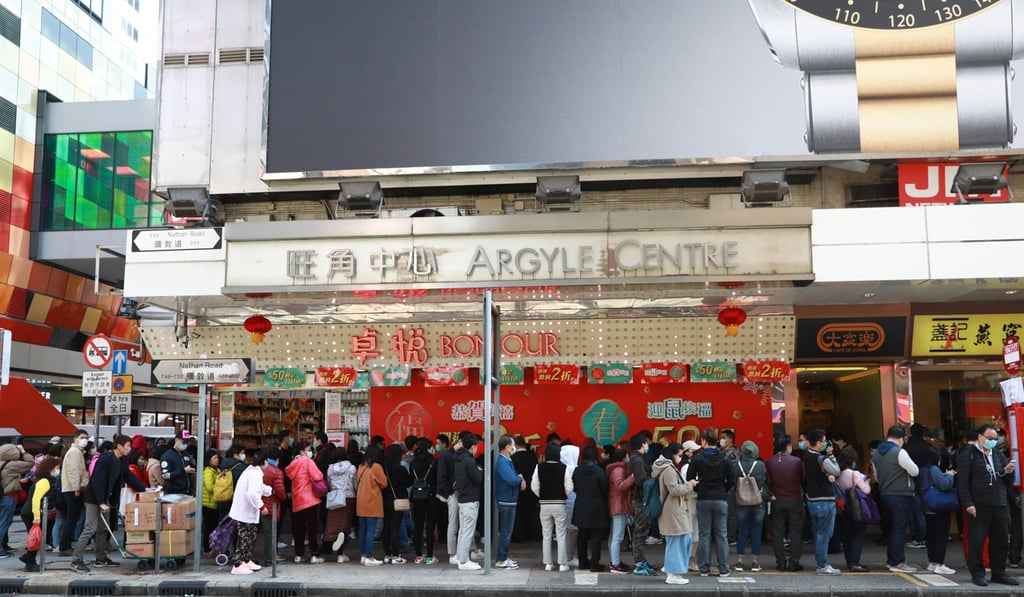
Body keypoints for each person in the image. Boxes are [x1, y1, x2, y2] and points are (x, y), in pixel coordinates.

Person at [956, 424, 1020, 587]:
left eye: (994, 439)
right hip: (979, 504)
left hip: (999, 503)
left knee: (1001, 541)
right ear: (980, 437)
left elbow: (1008, 481)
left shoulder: (997, 454)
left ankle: (999, 572)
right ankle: (977, 573)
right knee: (977, 540)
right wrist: (968, 503)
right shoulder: (968, 454)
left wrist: (1008, 471)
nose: (992, 441)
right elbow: (962, 482)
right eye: (989, 438)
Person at [71, 434, 131, 573]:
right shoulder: (105, 459)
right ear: (119, 446)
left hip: (106, 498)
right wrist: (101, 502)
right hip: (94, 498)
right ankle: (76, 559)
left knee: (103, 528)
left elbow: (128, 476)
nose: (130, 449)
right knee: (90, 528)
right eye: (128, 446)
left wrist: (144, 488)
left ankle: (100, 558)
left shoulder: (121, 460)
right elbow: (97, 482)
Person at [687, 427, 734, 578]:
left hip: (703, 499)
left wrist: (700, 488)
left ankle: (704, 568)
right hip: (720, 499)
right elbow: (732, 480)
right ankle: (724, 569)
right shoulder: (725, 458)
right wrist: (723, 489)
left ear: (704, 441)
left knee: (704, 534)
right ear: (717, 441)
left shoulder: (697, 459)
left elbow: (690, 478)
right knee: (721, 534)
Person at [872, 425, 918, 574]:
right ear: (900, 438)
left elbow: (877, 477)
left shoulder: (876, 453)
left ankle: (891, 560)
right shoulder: (899, 452)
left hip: (884, 494)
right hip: (901, 494)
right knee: (899, 529)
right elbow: (914, 471)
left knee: (892, 528)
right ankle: (897, 561)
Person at [653, 441, 698, 585]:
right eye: (679, 455)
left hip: (674, 510)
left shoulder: (666, 468)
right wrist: (689, 485)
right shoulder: (669, 470)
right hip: (673, 511)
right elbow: (675, 490)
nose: (680, 458)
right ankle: (673, 574)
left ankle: (672, 569)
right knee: (677, 541)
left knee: (681, 540)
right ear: (672, 455)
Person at [802, 428, 841, 576]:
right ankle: (822, 565)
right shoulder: (821, 459)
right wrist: (831, 455)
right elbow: (836, 471)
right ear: (818, 443)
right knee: (824, 534)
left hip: (812, 499)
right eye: (824, 441)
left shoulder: (806, 456)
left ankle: (821, 563)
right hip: (824, 500)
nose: (825, 444)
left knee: (819, 533)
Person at [228, 450, 272, 575]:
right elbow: (252, 494)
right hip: (244, 512)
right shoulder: (255, 474)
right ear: (263, 462)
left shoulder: (253, 472)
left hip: (246, 511)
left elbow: (259, 488)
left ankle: (246, 560)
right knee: (245, 538)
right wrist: (261, 507)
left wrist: (269, 490)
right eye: (267, 461)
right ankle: (237, 564)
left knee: (251, 536)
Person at [765, 434, 804, 572]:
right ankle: (794, 562)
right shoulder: (797, 461)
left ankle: (780, 562)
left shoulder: (770, 462)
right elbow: (802, 479)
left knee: (778, 532)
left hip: (777, 500)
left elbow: (768, 481)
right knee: (795, 531)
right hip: (795, 500)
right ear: (788, 447)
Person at [532, 441, 573, 572]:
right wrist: (563, 495)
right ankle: (562, 563)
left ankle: (548, 563)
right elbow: (569, 487)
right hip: (560, 504)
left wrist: (542, 495)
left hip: (544, 504)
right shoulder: (564, 468)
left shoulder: (539, 467)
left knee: (546, 534)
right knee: (561, 534)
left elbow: (534, 486)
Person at [916, 447, 956, 576]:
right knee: (941, 536)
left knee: (931, 536)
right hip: (939, 507)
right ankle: (939, 563)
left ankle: (932, 562)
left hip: (927, 506)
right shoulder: (934, 469)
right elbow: (945, 485)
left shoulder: (921, 470)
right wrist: (950, 476)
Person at [285, 441, 325, 564]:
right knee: (311, 529)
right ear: (302, 452)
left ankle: (298, 554)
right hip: (309, 500)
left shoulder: (292, 464)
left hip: (297, 500)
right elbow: (318, 476)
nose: (311, 452)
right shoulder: (308, 462)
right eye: (308, 450)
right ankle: (314, 554)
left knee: (299, 529)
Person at [18, 457, 60, 571]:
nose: (58, 470)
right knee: (36, 538)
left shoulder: (43, 479)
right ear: (50, 468)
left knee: (36, 537)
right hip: (32, 512)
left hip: (30, 511)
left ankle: (27, 558)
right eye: (57, 468)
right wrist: (37, 517)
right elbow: (36, 499)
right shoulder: (44, 481)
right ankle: (30, 563)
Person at [571, 444, 608, 572]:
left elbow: (574, 487)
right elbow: (605, 489)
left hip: (581, 505)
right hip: (597, 507)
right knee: (596, 536)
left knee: (582, 534)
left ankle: (582, 561)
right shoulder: (599, 471)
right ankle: (594, 563)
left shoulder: (577, 470)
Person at [733, 440, 767, 573]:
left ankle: (739, 561)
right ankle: (755, 562)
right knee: (756, 532)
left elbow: (733, 481)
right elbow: (764, 480)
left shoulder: (737, 465)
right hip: (757, 502)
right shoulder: (760, 465)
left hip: (741, 502)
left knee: (742, 531)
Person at [627, 433, 657, 576]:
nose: (648, 446)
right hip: (640, 500)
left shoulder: (636, 459)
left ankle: (641, 561)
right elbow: (640, 481)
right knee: (640, 531)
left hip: (640, 499)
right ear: (642, 444)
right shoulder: (637, 460)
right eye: (646, 443)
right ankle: (639, 563)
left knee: (642, 530)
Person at [836, 450, 870, 572]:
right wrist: (866, 480)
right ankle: (855, 563)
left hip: (844, 508)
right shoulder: (854, 473)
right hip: (856, 508)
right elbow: (866, 490)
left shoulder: (838, 474)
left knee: (846, 536)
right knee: (858, 534)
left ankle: (850, 561)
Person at [453, 433, 483, 571]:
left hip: (462, 498)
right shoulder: (470, 461)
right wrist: (480, 470)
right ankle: (464, 561)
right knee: (467, 532)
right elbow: (477, 479)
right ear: (472, 447)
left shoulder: (458, 459)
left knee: (462, 531)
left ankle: (461, 558)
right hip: (470, 499)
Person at [57, 430, 89, 557]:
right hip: (72, 489)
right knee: (72, 518)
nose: (84, 440)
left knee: (72, 518)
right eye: (82, 437)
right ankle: (64, 546)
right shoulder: (75, 452)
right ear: (75, 438)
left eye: (86, 437)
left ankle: (66, 545)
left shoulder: (78, 452)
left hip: (72, 488)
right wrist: (77, 488)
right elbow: (74, 471)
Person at [495, 434, 524, 569]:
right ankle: (501, 559)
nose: (514, 447)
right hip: (506, 500)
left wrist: (518, 477)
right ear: (507, 447)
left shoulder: (507, 460)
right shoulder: (502, 462)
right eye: (512, 445)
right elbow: (512, 479)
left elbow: (514, 476)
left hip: (509, 500)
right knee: (506, 532)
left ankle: (504, 557)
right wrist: (520, 479)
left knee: (506, 532)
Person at [355, 446, 387, 566]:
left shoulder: (361, 466)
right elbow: (384, 483)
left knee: (362, 530)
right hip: (372, 501)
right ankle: (369, 556)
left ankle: (363, 555)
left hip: (361, 501)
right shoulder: (376, 467)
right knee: (371, 530)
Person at [323, 447, 356, 563]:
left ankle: (339, 549)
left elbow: (329, 482)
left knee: (335, 524)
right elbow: (354, 483)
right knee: (346, 525)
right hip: (349, 498)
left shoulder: (330, 469)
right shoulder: (351, 468)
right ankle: (341, 554)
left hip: (335, 498)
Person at [408, 438, 438, 564]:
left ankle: (418, 556)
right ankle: (430, 556)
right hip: (430, 496)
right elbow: (436, 478)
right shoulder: (432, 462)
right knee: (430, 527)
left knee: (418, 526)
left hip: (416, 497)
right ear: (428, 448)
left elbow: (411, 480)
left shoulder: (413, 463)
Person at [605, 448, 633, 574]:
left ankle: (614, 561)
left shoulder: (614, 469)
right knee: (617, 537)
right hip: (619, 505)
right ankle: (615, 564)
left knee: (614, 536)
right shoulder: (619, 470)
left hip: (616, 504)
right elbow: (620, 486)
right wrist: (632, 477)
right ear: (623, 457)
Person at [382, 443, 411, 564]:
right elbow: (408, 482)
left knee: (386, 526)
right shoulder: (400, 468)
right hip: (398, 500)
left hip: (385, 500)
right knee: (395, 527)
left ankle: (387, 554)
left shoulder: (383, 467)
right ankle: (395, 555)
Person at [257, 448, 287, 567]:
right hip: (270, 505)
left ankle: (246, 557)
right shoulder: (277, 472)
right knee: (270, 534)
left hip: (256, 504)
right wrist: (283, 498)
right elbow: (280, 491)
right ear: (277, 459)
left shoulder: (258, 469)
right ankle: (269, 559)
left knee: (252, 532)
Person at [511, 436, 540, 543]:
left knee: (518, 514)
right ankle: (535, 535)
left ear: (515, 445)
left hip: (518, 489)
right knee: (533, 513)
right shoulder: (533, 457)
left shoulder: (512, 459)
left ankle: (519, 536)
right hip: (532, 489)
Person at [161, 430, 197, 496]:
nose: (185, 444)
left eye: (187, 442)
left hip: (187, 491)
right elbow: (165, 475)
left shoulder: (185, 454)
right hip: (174, 493)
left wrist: (193, 469)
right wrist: (183, 471)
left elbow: (189, 465)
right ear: (176, 440)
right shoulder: (167, 456)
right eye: (183, 442)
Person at [201, 450, 221, 554]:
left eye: (217, 458)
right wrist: (221, 487)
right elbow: (209, 487)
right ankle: (207, 548)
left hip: (214, 503)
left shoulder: (216, 470)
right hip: (208, 504)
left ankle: (212, 547)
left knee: (214, 526)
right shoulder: (208, 471)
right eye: (215, 458)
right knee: (209, 527)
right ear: (209, 460)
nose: (217, 460)